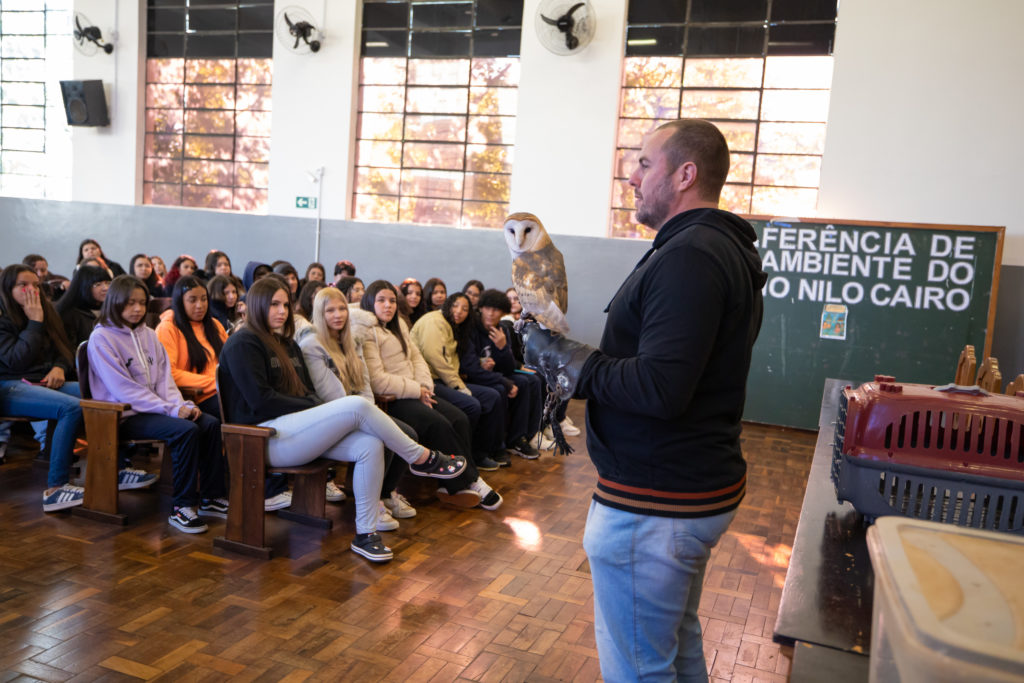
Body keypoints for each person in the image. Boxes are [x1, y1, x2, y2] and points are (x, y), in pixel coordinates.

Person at [523, 119, 767, 681]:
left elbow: (661, 388)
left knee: (638, 668)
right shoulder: (706, 248)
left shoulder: (692, 256)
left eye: (643, 163)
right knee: (674, 647)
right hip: (678, 491)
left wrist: (566, 359)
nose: (630, 175)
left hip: (657, 503)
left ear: (685, 174)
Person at [217, 277, 469, 562]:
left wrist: (309, 403)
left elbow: (306, 392)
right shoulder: (243, 342)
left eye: (286, 304)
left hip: (294, 430)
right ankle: (422, 458)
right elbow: (261, 401)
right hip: (261, 438)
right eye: (274, 304)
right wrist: (310, 404)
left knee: (370, 444)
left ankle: (365, 534)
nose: (282, 311)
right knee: (356, 406)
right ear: (257, 304)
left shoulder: (287, 344)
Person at [88, 275, 224, 533]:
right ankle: (181, 507)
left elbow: (165, 381)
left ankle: (211, 497)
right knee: (184, 431)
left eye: (142, 303)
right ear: (115, 303)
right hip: (123, 415)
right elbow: (124, 391)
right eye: (130, 303)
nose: (138, 309)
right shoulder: (102, 338)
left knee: (209, 423)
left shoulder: (149, 335)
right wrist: (172, 410)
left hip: (154, 409)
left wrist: (182, 404)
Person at [353, 280, 501, 510]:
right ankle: (470, 481)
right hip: (391, 400)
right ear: (370, 302)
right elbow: (377, 380)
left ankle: (453, 483)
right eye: (381, 300)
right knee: (437, 424)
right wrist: (416, 390)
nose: (388, 306)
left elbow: (417, 358)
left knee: (459, 417)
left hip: (415, 391)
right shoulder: (367, 331)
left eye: (392, 300)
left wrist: (424, 387)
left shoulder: (399, 324)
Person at [0, 264, 92, 511]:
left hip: (43, 381)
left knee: (101, 395)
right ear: (8, 289)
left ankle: (119, 468)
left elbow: (63, 349)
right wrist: (34, 323)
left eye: (37, 285)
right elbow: (15, 360)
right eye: (24, 285)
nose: (32, 290)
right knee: (71, 408)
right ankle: (56, 488)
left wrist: (60, 367)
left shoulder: (45, 310)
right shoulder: (6, 317)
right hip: (10, 386)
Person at [411, 293, 507, 471]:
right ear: (448, 305)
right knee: (472, 405)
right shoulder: (434, 321)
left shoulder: (453, 326)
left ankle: (482, 452)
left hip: (447, 379)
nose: (459, 312)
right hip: (430, 381)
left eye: (464, 309)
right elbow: (435, 358)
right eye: (455, 306)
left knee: (492, 396)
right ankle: (464, 456)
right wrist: (459, 386)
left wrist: (479, 364)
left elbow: (453, 359)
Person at [473, 289, 543, 459]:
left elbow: (509, 368)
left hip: (497, 373)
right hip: (479, 376)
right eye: (488, 308)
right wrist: (481, 363)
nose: (491, 313)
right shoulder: (473, 329)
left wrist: (503, 347)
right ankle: (497, 446)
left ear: (502, 312)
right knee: (502, 388)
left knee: (528, 381)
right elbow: (468, 362)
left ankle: (519, 438)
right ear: (481, 308)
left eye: (496, 310)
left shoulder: (502, 330)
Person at [155, 276, 227, 418]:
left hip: (224, 390)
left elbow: (231, 360)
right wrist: (216, 382)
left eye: (204, 299)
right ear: (180, 302)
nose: (200, 305)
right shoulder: (168, 328)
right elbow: (170, 374)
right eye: (192, 300)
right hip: (196, 397)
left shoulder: (214, 325)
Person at [56, 264, 111, 350]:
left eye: (108, 283)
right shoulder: (69, 314)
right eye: (98, 284)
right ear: (83, 286)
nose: (106, 288)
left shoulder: (112, 309)